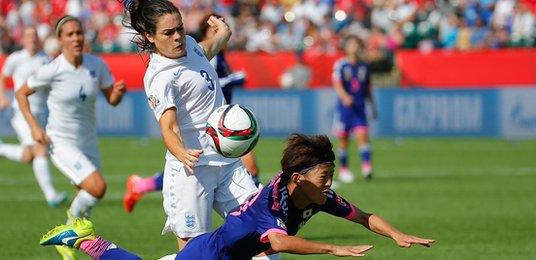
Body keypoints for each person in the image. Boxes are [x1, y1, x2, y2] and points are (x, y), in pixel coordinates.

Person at [39, 134, 434, 260]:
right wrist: (334, 249)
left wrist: (397, 234)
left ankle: (84, 236)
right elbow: (278, 241)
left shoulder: (314, 195)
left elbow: (364, 216)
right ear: (298, 178)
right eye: (325, 176)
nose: (330, 184)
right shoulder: (272, 204)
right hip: (207, 255)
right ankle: (82, 236)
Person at [123, 0, 258, 250]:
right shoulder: (160, 77)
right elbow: (169, 127)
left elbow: (207, 49)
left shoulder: (192, 46)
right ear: (149, 36)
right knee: (195, 253)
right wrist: (182, 152)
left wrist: (224, 33)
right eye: (168, 32)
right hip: (192, 172)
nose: (178, 37)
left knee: (261, 236)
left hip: (227, 164)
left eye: (180, 29)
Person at [15, 15, 127, 260]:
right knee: (97, 187)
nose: (76, 38)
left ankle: (72, 241)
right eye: (70, 34)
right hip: (61, 141)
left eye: (79, 33)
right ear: (60, 40)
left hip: (89, 142)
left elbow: (112, 100)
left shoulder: (96, 65)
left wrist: (118, 93)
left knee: (85, 196)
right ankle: (67, 232)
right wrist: (34, 128)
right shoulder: (52, 70)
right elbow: (21, 93)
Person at [0, 27, 66, 207]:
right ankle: (51, 196)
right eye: (28, 36)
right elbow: (1, 79)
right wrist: (1, 97)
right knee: (40, 149)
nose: (32, 39)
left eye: (34, 36)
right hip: (21, 112)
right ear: (23, 39)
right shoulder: (15, 59)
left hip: (41, 113)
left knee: (29, 155)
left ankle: (0, 149)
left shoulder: (45, 58)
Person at [332, 35, 377, 183]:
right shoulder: (341, 65)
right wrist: (345, 96)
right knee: (344, 140)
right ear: (346, 47)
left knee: (363, 136)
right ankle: (344, 169)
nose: (354, 47)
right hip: (345, 110)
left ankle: (367, 168)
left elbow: (368, 89)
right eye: (351, 44)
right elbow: (337, 84)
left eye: (357, 44)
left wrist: (373, 106)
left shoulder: (364, 66)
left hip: (360, 108)